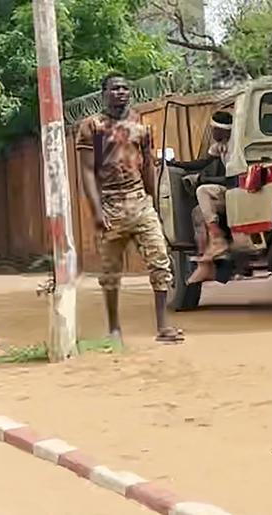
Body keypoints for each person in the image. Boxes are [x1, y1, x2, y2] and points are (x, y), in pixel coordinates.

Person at [76, 73, 181, 344]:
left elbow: (146, 165)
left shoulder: (140, 127)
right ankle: (114, 329)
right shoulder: (94, 127)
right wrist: (96, 211)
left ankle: (163, 326)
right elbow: (87, 172)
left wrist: (153, 200)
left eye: (124, 88)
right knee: (110, 272)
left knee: (160, 260)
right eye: (114, 88)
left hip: (139, 202)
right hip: (110, 204)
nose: (120, 93)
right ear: (104, 93)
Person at [167, 111, 233, 284]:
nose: (212, 133)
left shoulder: (235, 145)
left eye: (214, 130)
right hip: (230, 192)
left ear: (224, 130)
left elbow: (233, 178)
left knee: (203, 191)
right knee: (198, 212)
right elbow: (203, 162)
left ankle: (217, 240)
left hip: (237, 190)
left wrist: (205, 180)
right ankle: (206, 260)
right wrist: (176, 164)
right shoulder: (220, 146)